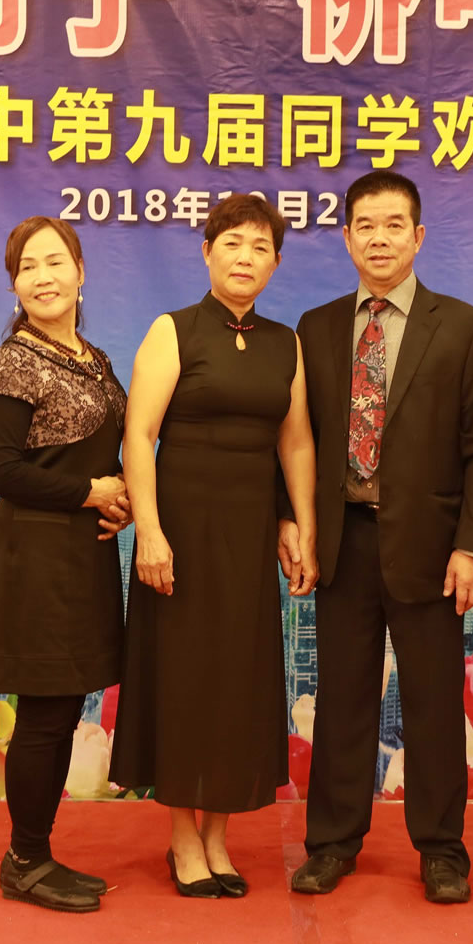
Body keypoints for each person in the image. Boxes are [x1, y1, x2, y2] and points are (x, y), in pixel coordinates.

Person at [282, 170, 473, 904]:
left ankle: (441, 850)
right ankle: (332, 844)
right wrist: (294, 522)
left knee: (434, 703)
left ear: (419, 236)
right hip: (344, 541)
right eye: (365, 226)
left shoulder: (463, 326)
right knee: (342, 700)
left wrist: (472, 546)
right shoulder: (316, 327)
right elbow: (295, 437)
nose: (379, 238)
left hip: (432, 549)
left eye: (393, 225)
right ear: (346, 238)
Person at [112, 195, 318, 898]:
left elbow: (295, 442)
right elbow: (139, 434)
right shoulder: (173, 330)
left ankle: (219, 837)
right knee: (182, 679)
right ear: (207, 252)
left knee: (238, 680)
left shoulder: (285, 342)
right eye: (232, 243)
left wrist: (299, 523)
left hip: (249, 534)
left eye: (260, 247)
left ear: (276, 263)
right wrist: (150, 530)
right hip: (180, 533)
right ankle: (181, 836)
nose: (245, 258)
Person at [0, 216, 132, 914]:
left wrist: (120, 499)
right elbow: (0, 471)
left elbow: (106, 457)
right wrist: (89, 492)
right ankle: (25, 860)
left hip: (85, 552)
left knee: (66, 707)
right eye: (27, 267)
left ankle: (38, 852)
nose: (43, 277)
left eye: (55, 262)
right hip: (37, 554)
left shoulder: (94, 358)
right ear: (14, 284)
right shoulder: (11, 363)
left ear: (80, 272)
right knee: (44, 711)